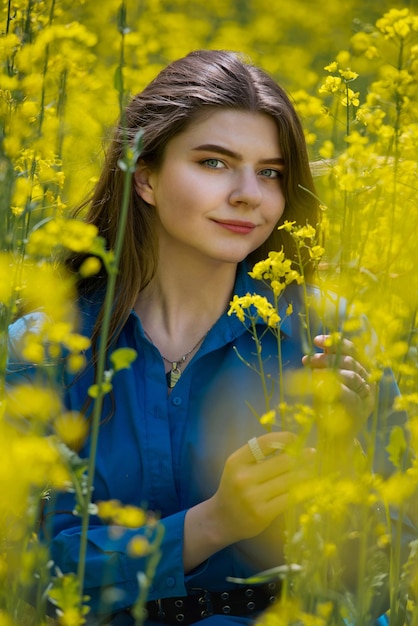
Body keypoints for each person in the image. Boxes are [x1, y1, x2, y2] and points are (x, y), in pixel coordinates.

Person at [6, 50, 411, 625]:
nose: (249, 194)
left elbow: (392, 564)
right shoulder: (42, 349)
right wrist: (216, 522)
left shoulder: (330, 335)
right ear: (144, 176)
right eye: (215, 163)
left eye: (270, 172)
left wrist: (338, 473)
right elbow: (30, 568)